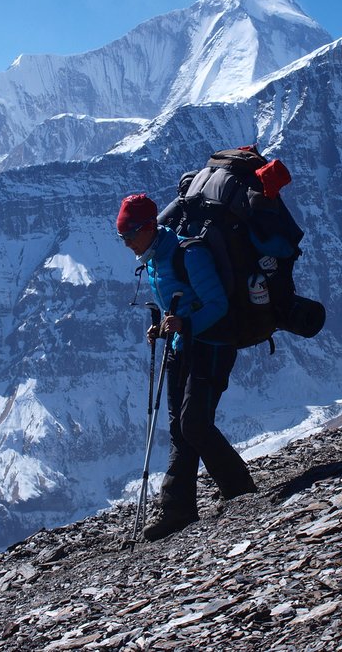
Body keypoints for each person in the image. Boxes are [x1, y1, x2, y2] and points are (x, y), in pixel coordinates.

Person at [117, 193, 257, 541]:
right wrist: (163, 325)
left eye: (131, 234)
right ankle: (178, 508)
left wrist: (183, 323)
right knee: (180, 427)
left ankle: (241, 493)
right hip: (184, 347)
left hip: (212, 346)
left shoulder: (188, 254)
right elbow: (176, 304)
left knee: (193, 423)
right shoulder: (152, 259)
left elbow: (217, 305)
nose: (128, 243)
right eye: (122, 237)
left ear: (150, 227)